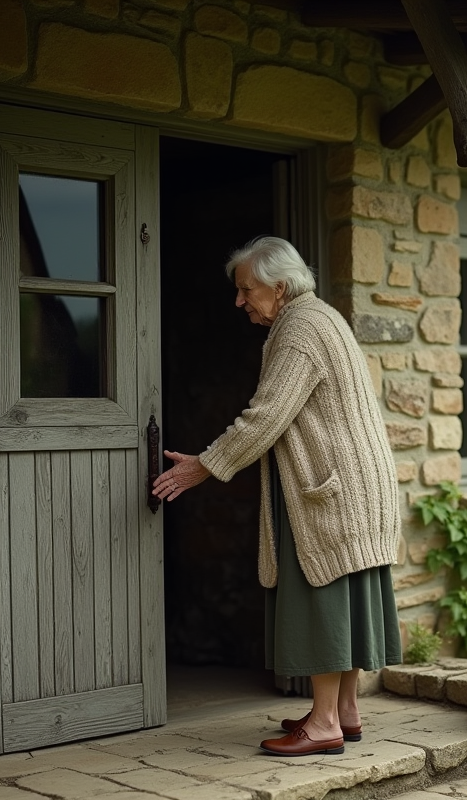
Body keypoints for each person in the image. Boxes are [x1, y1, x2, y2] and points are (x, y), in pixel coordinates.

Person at [152, 236, 402, 756]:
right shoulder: (318, 317)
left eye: (246, 290)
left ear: (279, 287)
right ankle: (345, 711)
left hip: (329, 490)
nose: (239, 301)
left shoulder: (300, 329)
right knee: (345, 594)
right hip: (352, 486)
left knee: (323, 597)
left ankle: (326, 723)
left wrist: (204, 466)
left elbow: (267, 416)